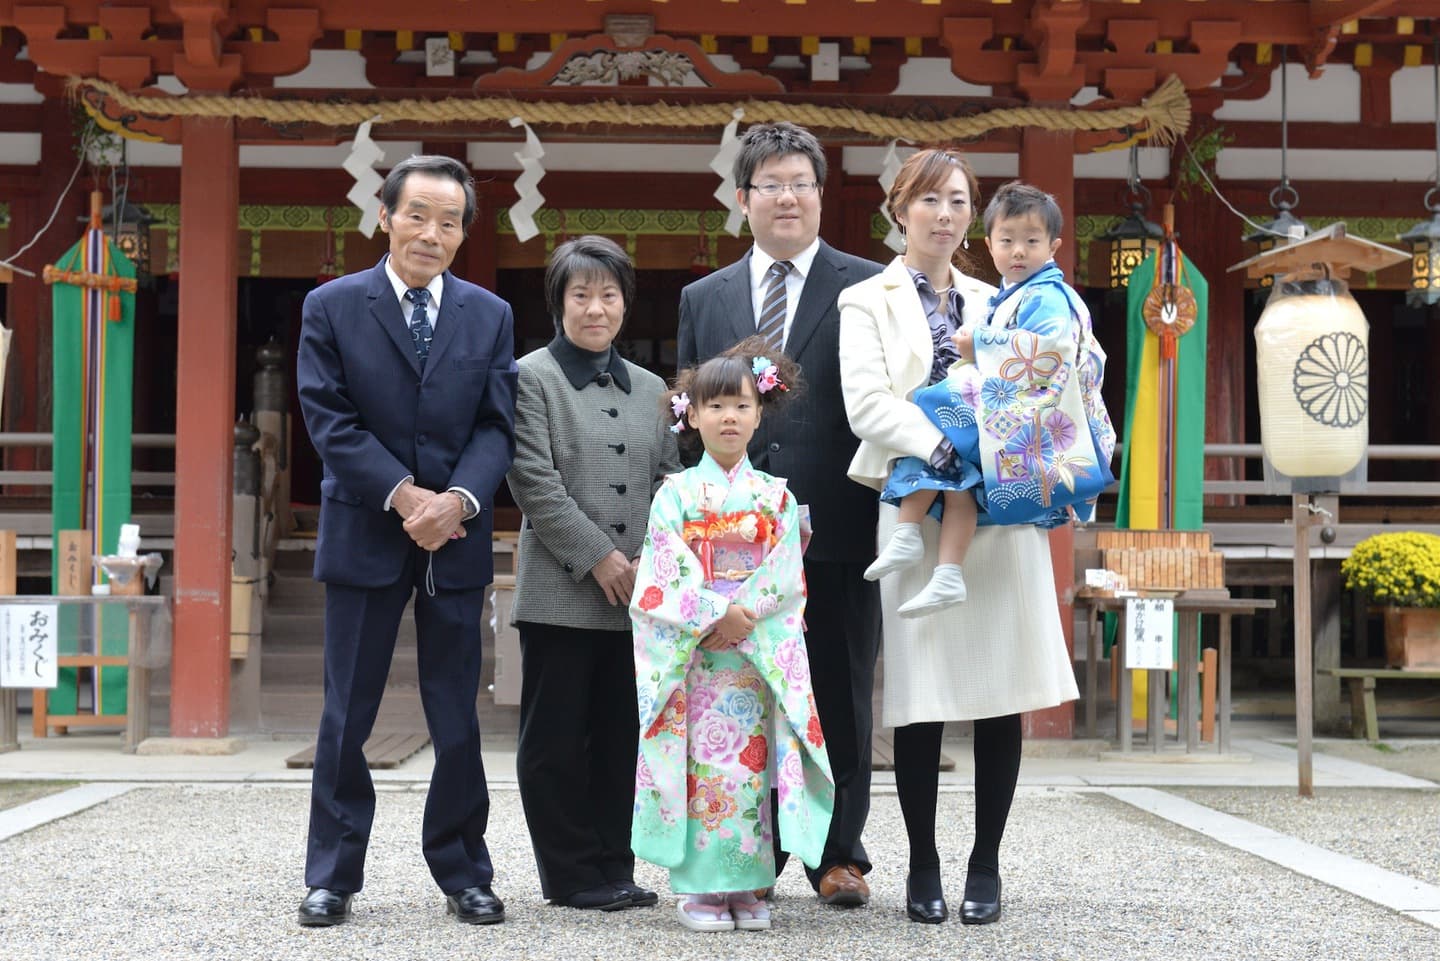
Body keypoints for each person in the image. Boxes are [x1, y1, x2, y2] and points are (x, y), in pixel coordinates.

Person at [838, 149, 1081, 926]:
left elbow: (1052, 386)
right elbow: (867, 403)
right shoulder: (864, 299)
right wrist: (939, 447)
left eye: (958, 200)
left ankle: (986, 863)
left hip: (1001, 507)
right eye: (929, 200)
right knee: (923, 693)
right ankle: (923, 860)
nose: (945, 214)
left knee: (999, 691)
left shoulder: (1004, 296)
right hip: (916, 501)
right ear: (899, 209)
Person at [295, 154, 517, 928]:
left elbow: (497, 424)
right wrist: (403, 495)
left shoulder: (489, 314)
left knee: (456, 710)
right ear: (385, 216)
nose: (432, 232)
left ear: (462, 232)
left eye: (450, 220)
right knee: (346, 712)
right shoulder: (332, 305)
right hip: (364, 530)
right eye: (417, 214)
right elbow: (329, 419)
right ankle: (331, 872)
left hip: (454, 538)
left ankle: (464, 870)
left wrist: (455, 499)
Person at [677, 121, 884, 907]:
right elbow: (688, 409)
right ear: (742, 198)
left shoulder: (866, 285)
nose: (787, 196)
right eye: (770, 183)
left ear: (821, 194)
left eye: (801, 182)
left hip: (837, 522)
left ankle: (840, 854)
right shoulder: (706, 296)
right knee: (740, 693)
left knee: (839, 691)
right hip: (733, 543)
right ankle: (746, 849)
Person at [630, 337, 833, 933]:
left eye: (741, 405)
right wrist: (713, 615)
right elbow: (660, 572)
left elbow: (786, 578)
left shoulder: (776, 496)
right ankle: (700, 889)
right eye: (714, 406)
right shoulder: (676, 494)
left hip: (751, 655)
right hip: (696, 657)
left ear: (759, 411)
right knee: (701, 767)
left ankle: (746, 884)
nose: (729, 417)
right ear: (690, 415)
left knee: (748, 767)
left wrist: (740, 618)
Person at [506, 235, 681, 912]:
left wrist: (649, 564)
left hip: (639, 595)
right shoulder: (529, 378)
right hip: (560, 592)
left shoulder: (652, 389)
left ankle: (616, 862)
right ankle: (570, 872)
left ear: (625, 303)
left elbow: (669, 479)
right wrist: (600, 557)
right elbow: (533, 482)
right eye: (580, 293)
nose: (595, 307)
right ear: (558, 302)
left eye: (608, 294)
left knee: (621, 737)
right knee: (554, 741)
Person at [864, 180, 1116, 618]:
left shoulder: (1048, 295)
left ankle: (913, 539)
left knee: (935, 408)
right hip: (1012, 407)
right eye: (1007, 241)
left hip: (1027, 411)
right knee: (954, 459)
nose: (1019, 251)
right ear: (990, 243)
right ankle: (939, 565)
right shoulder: (1012, 292)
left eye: (1031, 242)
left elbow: (1051, 351)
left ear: (1054, 247)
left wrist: (980, 343)